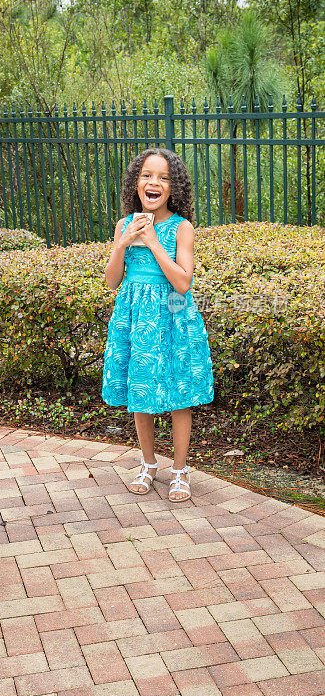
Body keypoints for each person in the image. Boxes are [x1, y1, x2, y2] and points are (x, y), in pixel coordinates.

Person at [102, 148, 214, 502]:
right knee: (141, 391)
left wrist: (152, 242)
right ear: (136, 184)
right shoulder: (124, 225)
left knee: (180, 391)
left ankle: (180, 469)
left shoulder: (182, 228)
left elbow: (182, 282)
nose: (154, 182)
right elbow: (111, 281)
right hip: (136, 318)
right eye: (147, 176)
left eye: (164, 178)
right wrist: (122, 243)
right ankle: (149, 464)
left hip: (173, 315)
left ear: (173, 187)